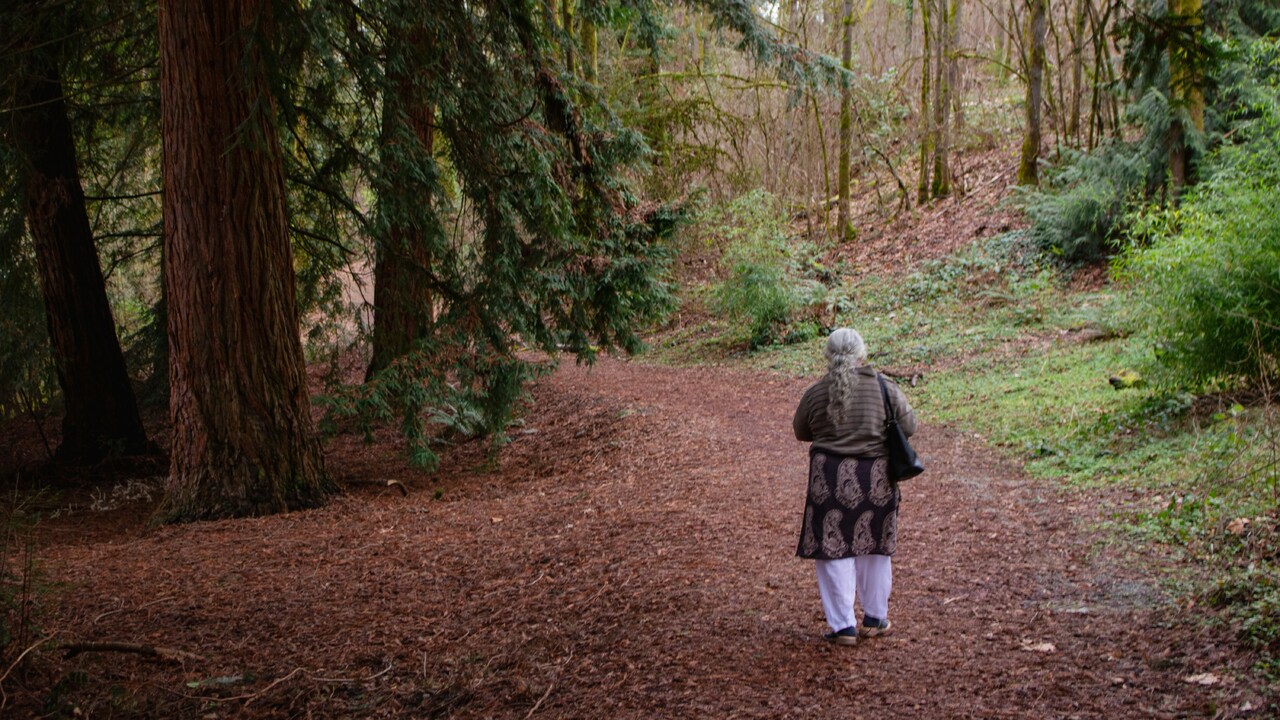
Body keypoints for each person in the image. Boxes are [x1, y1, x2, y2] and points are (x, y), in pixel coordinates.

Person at [792, 328, 917, 645]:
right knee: (875, 546)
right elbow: (910, 427)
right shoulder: (884, 387)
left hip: (828, 479)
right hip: (875, 479)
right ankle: (875, 618)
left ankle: (843, 626)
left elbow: (801, 431)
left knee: (833, 550)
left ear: (827, 355)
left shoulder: (817, 392)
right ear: (863, 353)